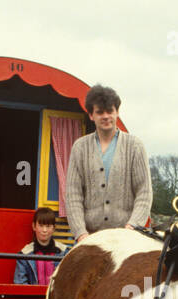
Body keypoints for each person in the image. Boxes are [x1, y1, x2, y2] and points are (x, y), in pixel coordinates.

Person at [64, 83, 152, 240]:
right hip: (89, 238)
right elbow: (73, 195)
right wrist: (81, 234)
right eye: (99, 112)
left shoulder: (135, 146)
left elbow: (144, 192)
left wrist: (132, 227)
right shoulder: (79, 148)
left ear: (117, 112)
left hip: (127, 236)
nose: (106, 116)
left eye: (110, 111)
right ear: (91, 115)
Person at [13, 207, 67, 284]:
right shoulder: (24, 254)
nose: (44, 230)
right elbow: (20, 283)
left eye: (48, 226)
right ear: (34, 226)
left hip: (56, 296)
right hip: (32, 296)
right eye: (41, 226)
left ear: (53, 228)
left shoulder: (64, 252)